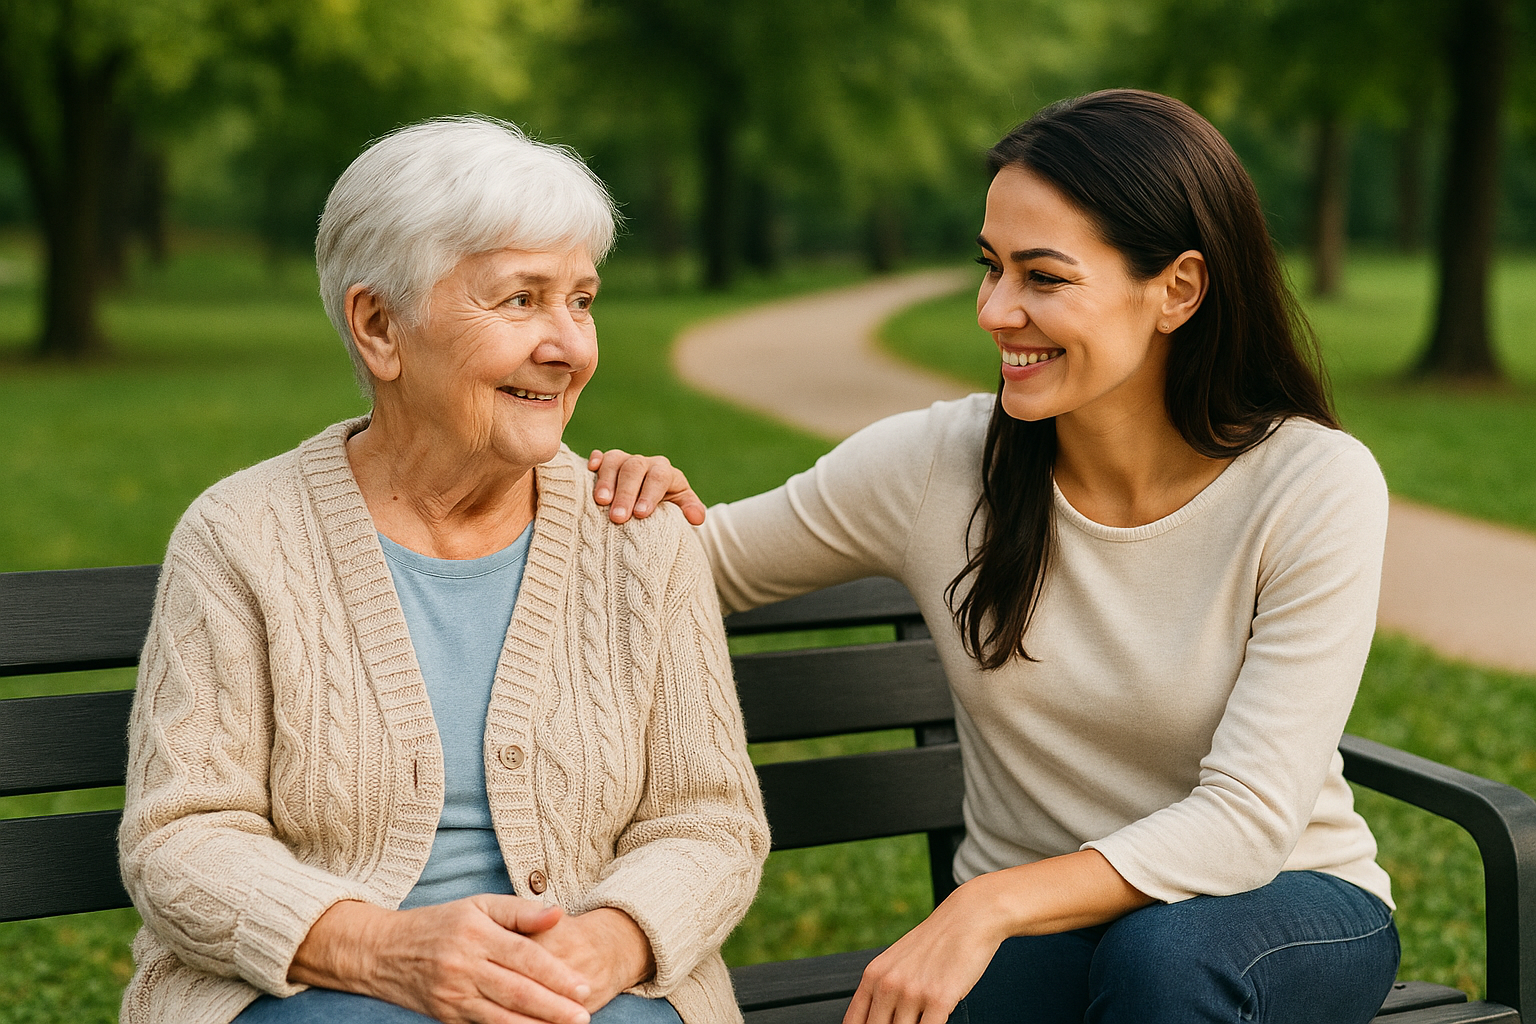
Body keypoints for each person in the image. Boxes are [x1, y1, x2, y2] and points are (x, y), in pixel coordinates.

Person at [591, 90, 1399, 1024]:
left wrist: (985, 905)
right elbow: (696, 564)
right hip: (1046, 935)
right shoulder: (937, 465)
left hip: (1279, 907)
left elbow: (1250, 822)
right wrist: (630, 501)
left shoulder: (1312, 483)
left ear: (1177, 289)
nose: (994, 311)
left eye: (1042, 278)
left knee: (1162, 963)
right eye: (990, 268)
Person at [117, 117, 769, 1024]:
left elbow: (709, 820)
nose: (569, 345)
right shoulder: (242, 537)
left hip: (586, 995)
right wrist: (386, 949)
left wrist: (609, 939)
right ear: (380, 326)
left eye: (581, 300)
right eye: (520, 301)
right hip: (322, 990)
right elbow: (181, 838)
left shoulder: (637, 533)